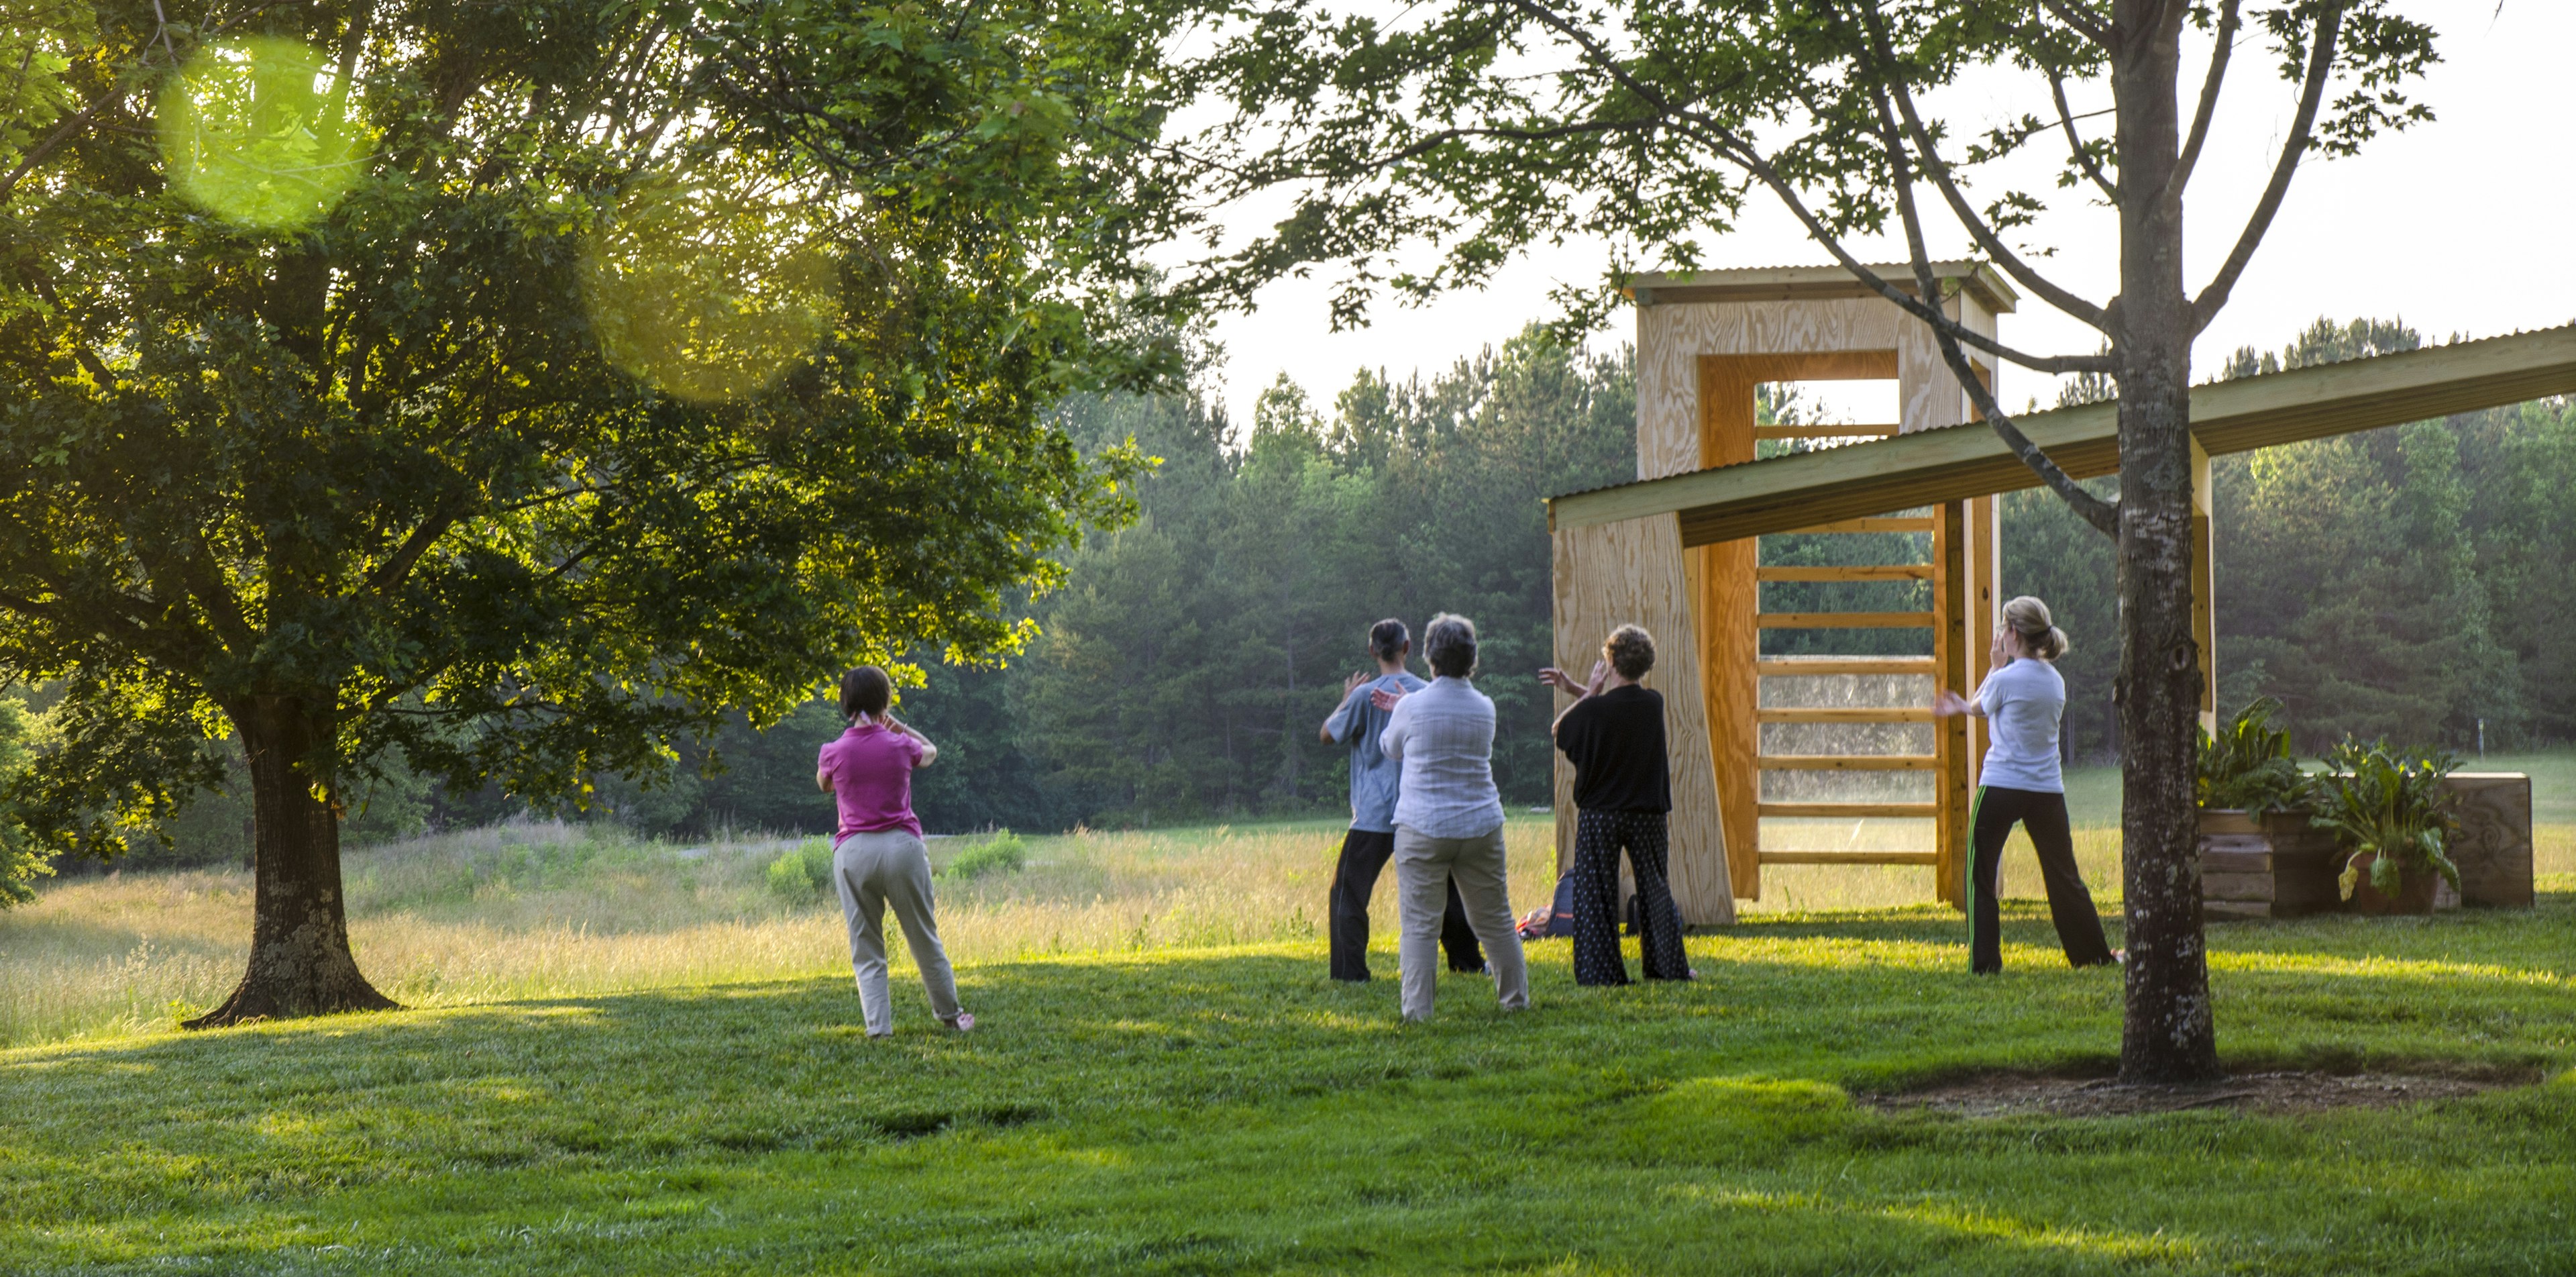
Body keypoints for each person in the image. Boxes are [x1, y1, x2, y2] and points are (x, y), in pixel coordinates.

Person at [1931, 596, 2118, 975]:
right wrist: (1997, 671)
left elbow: (1977, 706)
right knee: (2064, 877)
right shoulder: (2056, 681)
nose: (2001, 634)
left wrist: (1991, 669)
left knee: (1981, 875)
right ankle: (2093, 957)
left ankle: (1984, 965)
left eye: (2003, 628)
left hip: (2000, 786)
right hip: (2047, 790)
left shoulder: (2003, 679)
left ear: (2012, 633)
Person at [1373, 613, 1531, 1021]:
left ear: (1429, 656)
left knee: (1421, 926)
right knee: (1496, 919)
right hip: (1481, 825)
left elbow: (1391, 747)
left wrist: (1399, 711)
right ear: (1472, 659)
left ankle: (1417, 1012)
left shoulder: (1411, 705)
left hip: (1422, 827)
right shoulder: (1486, 707)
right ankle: (1515, 1001)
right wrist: (1406, 709)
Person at [1320, 619, 1487, 982]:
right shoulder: (1426, 693)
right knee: (1446, 891)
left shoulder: (1364, 697)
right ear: (1408, 648)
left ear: (1372, 651)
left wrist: (1345, 701)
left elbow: (1326, 735)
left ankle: (1350, 973)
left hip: (1373, 814)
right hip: (1420, 810)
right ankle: (1468, 963)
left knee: (1348, 893)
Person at [814, 666, 973, 1036]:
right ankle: (950, 1016)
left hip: (853, 852)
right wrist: (896, 726)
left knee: (866, 943)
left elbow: (823, 784)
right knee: (922, 935)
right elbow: (931, 752)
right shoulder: (901, 745)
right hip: (902, 847)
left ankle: (878, 1027)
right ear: (885, 700)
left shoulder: (833, 751)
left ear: (846, 703)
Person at [1540, 624, 1693, 986]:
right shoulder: (1653, 704)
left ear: (1609, 663)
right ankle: (1668, 969)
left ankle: (1601, 973)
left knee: (1596, 892)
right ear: (1646, 666)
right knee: (1655, 887)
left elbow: (1562, 729)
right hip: (1647, 812)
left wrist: (1587, 690)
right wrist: (1579, 690)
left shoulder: (1597, 707)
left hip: (1600, 814)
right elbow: (1609, 711)